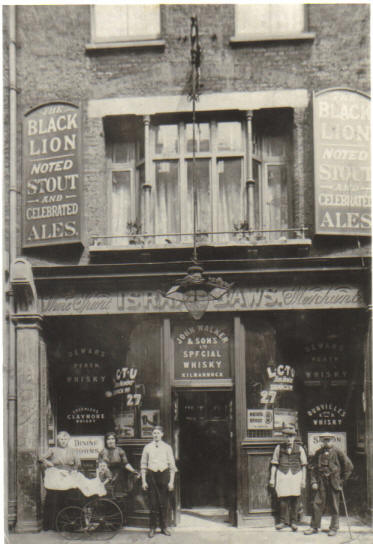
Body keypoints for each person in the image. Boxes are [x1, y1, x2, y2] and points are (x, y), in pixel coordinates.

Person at [304, 432, 353, 537]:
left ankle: (334, 528)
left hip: (334, 482)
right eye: (324, 440)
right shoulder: (318, 453)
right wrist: (313, 481)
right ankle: (314, 527)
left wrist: (342, 481)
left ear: (333, 440)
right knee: (317, 503)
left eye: (328, 440)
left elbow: (349, 467)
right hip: (321, 481)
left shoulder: (338, 452)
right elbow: (312, 468)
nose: (326, 442)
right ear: (322, 441)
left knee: (335, 505)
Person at [39, 430, 81, 531]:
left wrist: (74, 471)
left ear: (68, 440)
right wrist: (48, 463)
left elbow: (78, 463)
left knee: (69, 498)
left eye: (65, 439)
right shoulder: (52, 450)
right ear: (58, 440)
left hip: (68, 476)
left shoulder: (73, 451)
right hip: (56, 478)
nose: (63, 441)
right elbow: (40, 458)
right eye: (61, 439)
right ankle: (52, 525)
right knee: (54, 500)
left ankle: (68, 525)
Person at [269, 424, 307, 532]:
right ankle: (282, 521)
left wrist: (303, 480)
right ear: (283, 437)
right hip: (282, 474)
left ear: (294, 437)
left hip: (296, 475)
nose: (289, 439)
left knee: (295, 499)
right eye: (286, 436)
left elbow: (304, 465)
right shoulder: (278, 448)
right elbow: (274, 463)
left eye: (291, 436)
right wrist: (272, 478)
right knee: (283, 498)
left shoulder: (300, 449)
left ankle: (294, 522)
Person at [141, 425, 177, 538]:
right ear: (152, 435)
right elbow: (143, 465)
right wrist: (143, 481)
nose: (156, 435)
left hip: (164, 476)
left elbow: (172, 466)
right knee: (153, 503)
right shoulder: (147, 447)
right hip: (151, 476)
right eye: (154, 433)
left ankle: (164, 527)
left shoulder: (167, 447)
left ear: (162, 434)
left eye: (158, 433)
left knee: (164, 503)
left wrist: (171, 482)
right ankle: (152, 527)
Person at [98, 432, 139, 497]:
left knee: (119, 494)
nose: (110, 441)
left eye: (112, 439)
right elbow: (99, 466)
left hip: (118, 475)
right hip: (106, 474)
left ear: (115, 440)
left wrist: (133, 471)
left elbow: (126, 464)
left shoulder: (120, 451)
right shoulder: (102, 452)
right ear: (106, 441)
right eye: (108, 439)